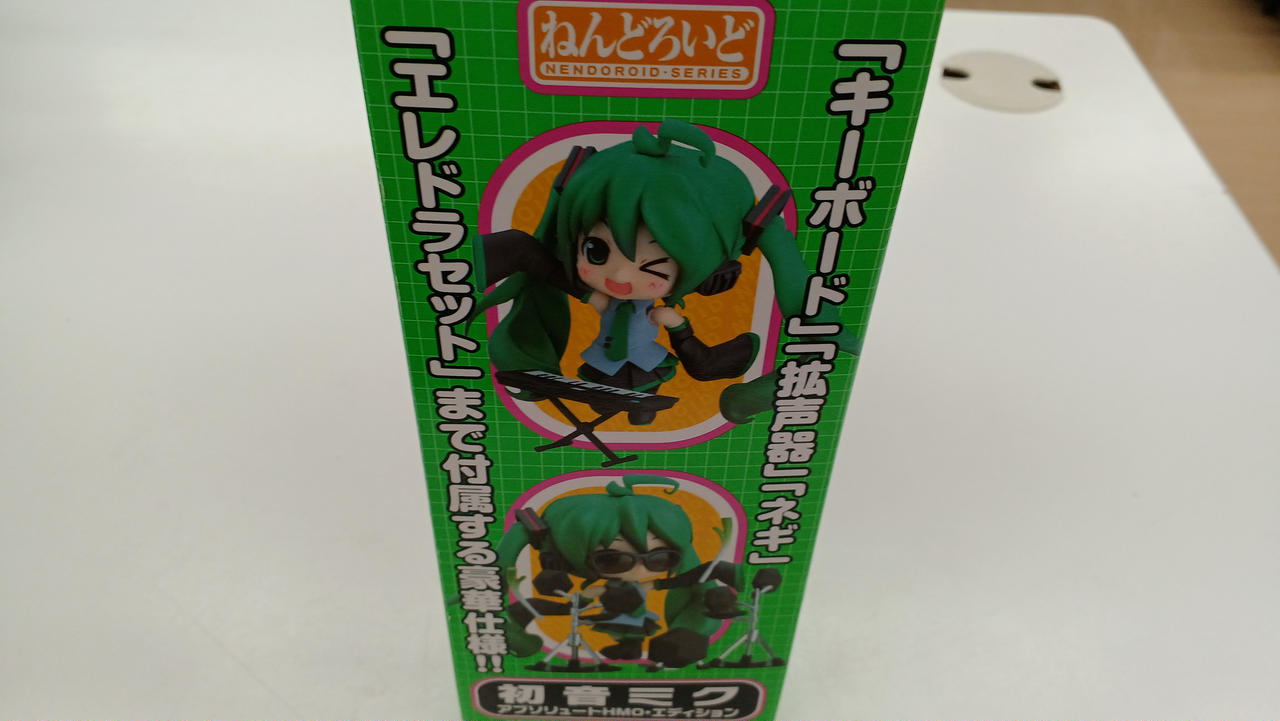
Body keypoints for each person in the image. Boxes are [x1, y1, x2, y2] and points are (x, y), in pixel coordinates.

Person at [477, 120, 858, 425]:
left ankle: (641, 411)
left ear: (715, 273)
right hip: (606, 363)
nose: (620, 277)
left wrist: (679, 329)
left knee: (645, 397)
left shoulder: (655, 305)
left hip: (645, 362)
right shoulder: (595, 293)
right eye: (596, 250)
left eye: (654, 265)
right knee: (604, 396)